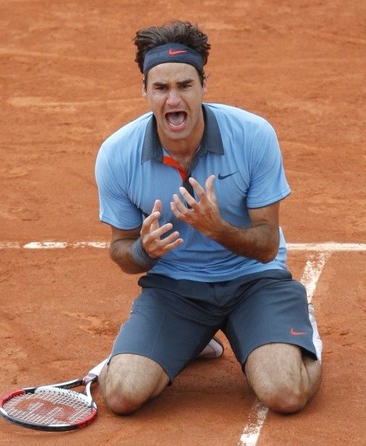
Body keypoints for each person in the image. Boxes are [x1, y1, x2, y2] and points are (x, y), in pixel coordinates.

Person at [94, 20, 322, 415]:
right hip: (174, 290)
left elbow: (267, 245)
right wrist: (145, 252)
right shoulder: (117, 155)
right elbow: (120, 249)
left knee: (285, 393)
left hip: (253, 280)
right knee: (121, 395)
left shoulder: (253, 136)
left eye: (184, 85)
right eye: (161, 88)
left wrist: (219, 230)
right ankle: (196, 339)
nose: (173, 99)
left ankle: (305, 338)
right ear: (145, 90)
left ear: (203, 86)